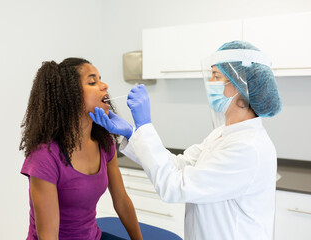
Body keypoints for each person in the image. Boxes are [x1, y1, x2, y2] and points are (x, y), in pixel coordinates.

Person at [89, 41, 282, 240]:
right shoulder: (224, 134)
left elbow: (174, 186)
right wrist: (132, 133)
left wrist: (145, 126)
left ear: (241, 86)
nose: (210, 82)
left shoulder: (248, 148)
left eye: (216, 76)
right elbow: (179, 165)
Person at [19, 58, 142, 240]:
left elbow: (122, 201)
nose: (104, 85)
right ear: (70, 95)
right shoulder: (44, 156)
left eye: (100, 79)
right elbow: (48, 236)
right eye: (92, 82)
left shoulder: (104, 143)